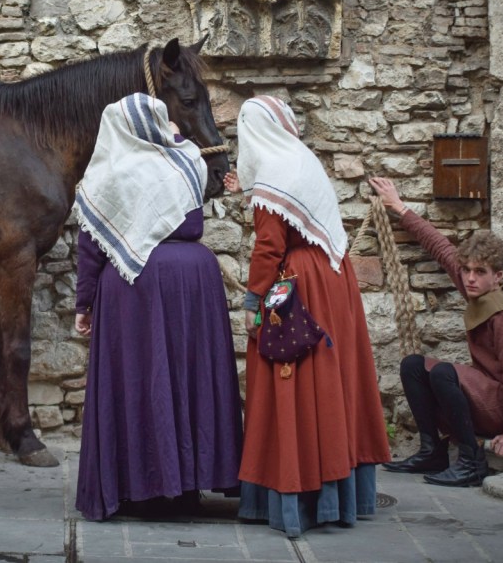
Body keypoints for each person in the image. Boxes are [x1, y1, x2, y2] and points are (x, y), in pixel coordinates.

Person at [224, 95, 390, 537]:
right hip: (334, 281)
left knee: (291, 383)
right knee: (333, 381)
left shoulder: (272, 181)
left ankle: (298, 499)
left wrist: (252, 303)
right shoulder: (301, 160)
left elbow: (269, 247)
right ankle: (341, 494)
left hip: (298, 284)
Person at [73, 92, 244, 522]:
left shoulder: (111, 171)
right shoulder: (188, 158)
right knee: (190, 375)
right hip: (193, 278)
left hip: (136, 282)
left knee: (140, 376)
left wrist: (85, 303)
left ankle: (142, 486)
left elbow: (92, 244)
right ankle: (188, 483)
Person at [368, 176, 503, 487]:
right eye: (468, 270)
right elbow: (442, 248)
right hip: (485, 395)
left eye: (480, 272)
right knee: (414, 366)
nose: (470, 278)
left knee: (445, 372)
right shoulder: (476, 289)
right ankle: (433, 451)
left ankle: (471, 461)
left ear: (497, 276)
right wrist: (399, 207)